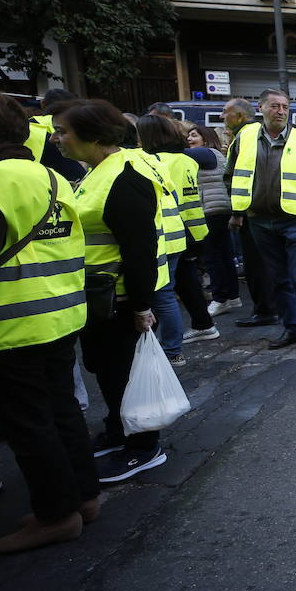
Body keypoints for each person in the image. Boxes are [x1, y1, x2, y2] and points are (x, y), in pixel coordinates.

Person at [0, 93, 98, 552]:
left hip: (11, 325)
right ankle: (84, 496)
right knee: (62, 411)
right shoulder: (51, 175)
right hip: (59, 314)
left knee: (29, 424)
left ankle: (56, 514)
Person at [52, 99, 172, 484]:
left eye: (62, 131)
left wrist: (140, 306)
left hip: (118, 298)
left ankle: (143, 446)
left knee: (122, 373)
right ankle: (118, 430)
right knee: (105, 370)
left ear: (93, 136)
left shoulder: (125, 177)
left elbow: (139, 251)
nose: (57, 139)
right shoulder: (96, 172)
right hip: (97, 296)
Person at [225, 88, 296, 354]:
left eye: (284, 106)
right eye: (274, 106)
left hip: (295, 219)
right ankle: (292, 328)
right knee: (278, 278)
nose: (281, 111)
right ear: (261, 108)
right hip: (259, 219)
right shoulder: (245, 136)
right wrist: (238, 210)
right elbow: (232, 174)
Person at [136, 115, 216, 355]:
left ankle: (170, 349)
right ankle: (199, 327)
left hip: (172, 231)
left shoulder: (156, 161)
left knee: (165, 293)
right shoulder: (185, 159)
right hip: (194, 230)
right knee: (184, 283)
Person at [221, 98, 279, 326]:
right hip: (264, 209)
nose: (222, 116)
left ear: (241, 116)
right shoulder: (255, 134)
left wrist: (237, 212)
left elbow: (239, 176)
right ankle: (273, 308)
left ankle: (266, 310)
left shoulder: (247, 135)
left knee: (257, 265)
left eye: (226, 111)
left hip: (251, 212)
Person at [188, 124, 242, 317]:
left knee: (213, 257)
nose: (189, 139)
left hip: (212, 210)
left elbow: (177, 153)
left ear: (206, 138)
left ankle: (220, 298)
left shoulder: (206, 153)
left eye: (194, 136)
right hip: (220, 209)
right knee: (224, 255)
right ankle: (232, 296)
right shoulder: (214, 154)